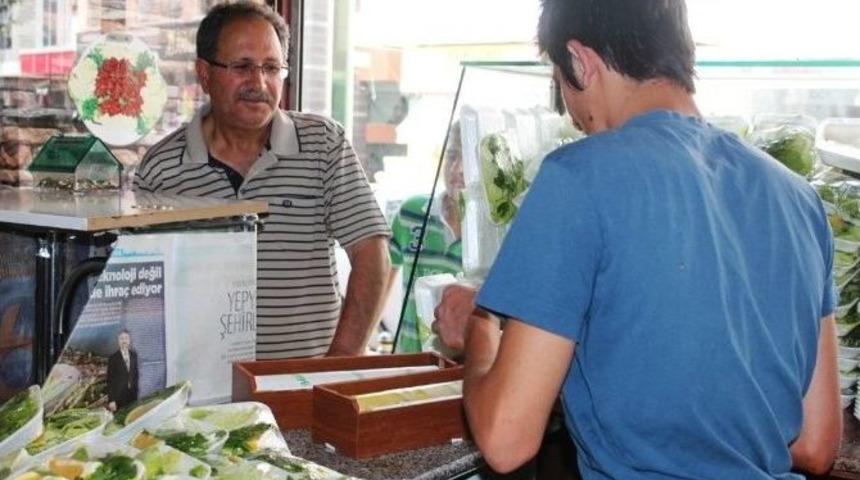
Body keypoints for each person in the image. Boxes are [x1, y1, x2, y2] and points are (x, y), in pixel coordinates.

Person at [432, 0, 842, 478]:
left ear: (580, 62)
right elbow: (816, 444)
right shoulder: (799, 198)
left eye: (560, 83)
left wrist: (481, 326)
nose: (572, 113)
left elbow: (506, 438)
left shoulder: (578, 175)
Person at [134, 2, 391, 359]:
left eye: (272, 68)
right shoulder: (163, 168)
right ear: (204, 74)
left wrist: (338, 364)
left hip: (306, 387)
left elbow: (372, 255)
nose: (259, 83)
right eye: (242, 67)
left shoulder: (323, 145)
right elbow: (145, 292)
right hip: (203, 397)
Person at [385, 122, 463, 353]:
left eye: (469, 158)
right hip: (408, 365)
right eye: (451, 156)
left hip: (464, 373)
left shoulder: (499, 232)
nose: (456, 169)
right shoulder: (411, 214)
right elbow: (380, 280)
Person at [106, 329, 138, 412]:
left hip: (132, 395)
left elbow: (135, 374)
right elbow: (110, 380)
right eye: (121, 338)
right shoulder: (113, 358)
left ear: (129, 340)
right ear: (118, 341)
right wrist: (111, 400)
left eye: (126, 338)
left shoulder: (134, 355)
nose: (124, 341)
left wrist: (136, 391)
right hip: (118, 398)